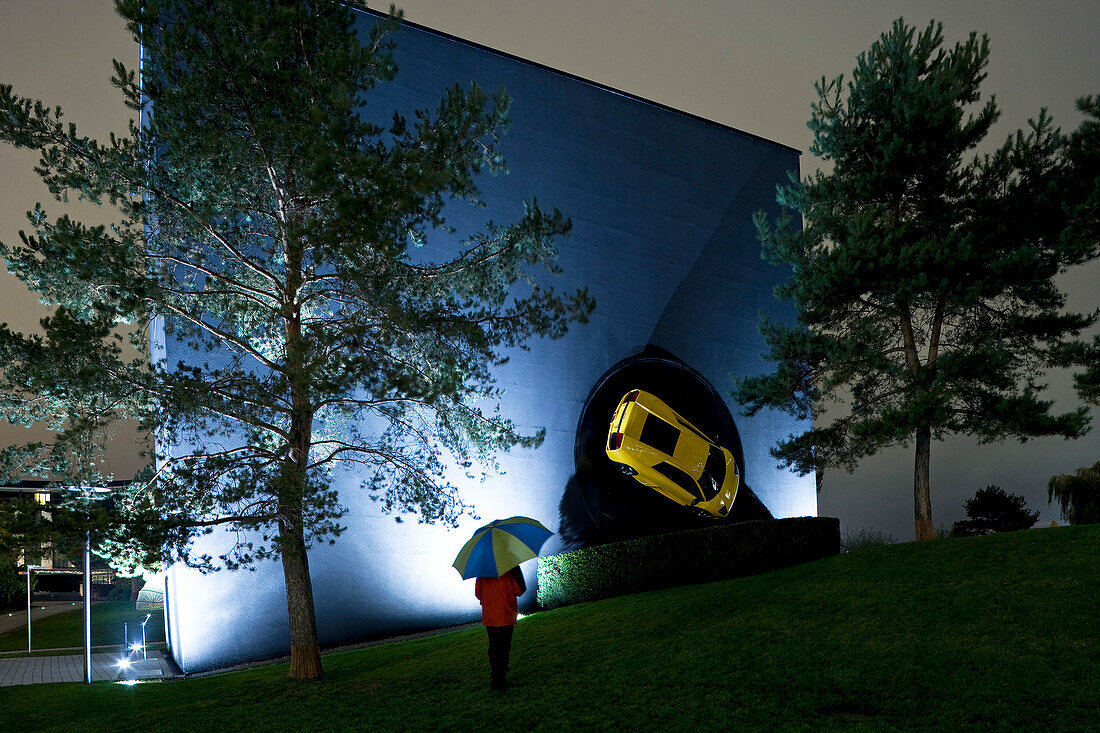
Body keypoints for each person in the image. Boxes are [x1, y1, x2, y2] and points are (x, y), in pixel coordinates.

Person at [474, 565, 526, 690]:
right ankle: (501, 680)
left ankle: (495, 679)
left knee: (494, 647)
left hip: (490, 616)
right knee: (504, 648)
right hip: (506, 614)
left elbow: (478, 594)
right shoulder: (511, 568)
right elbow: (519, 590)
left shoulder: (482, 571)